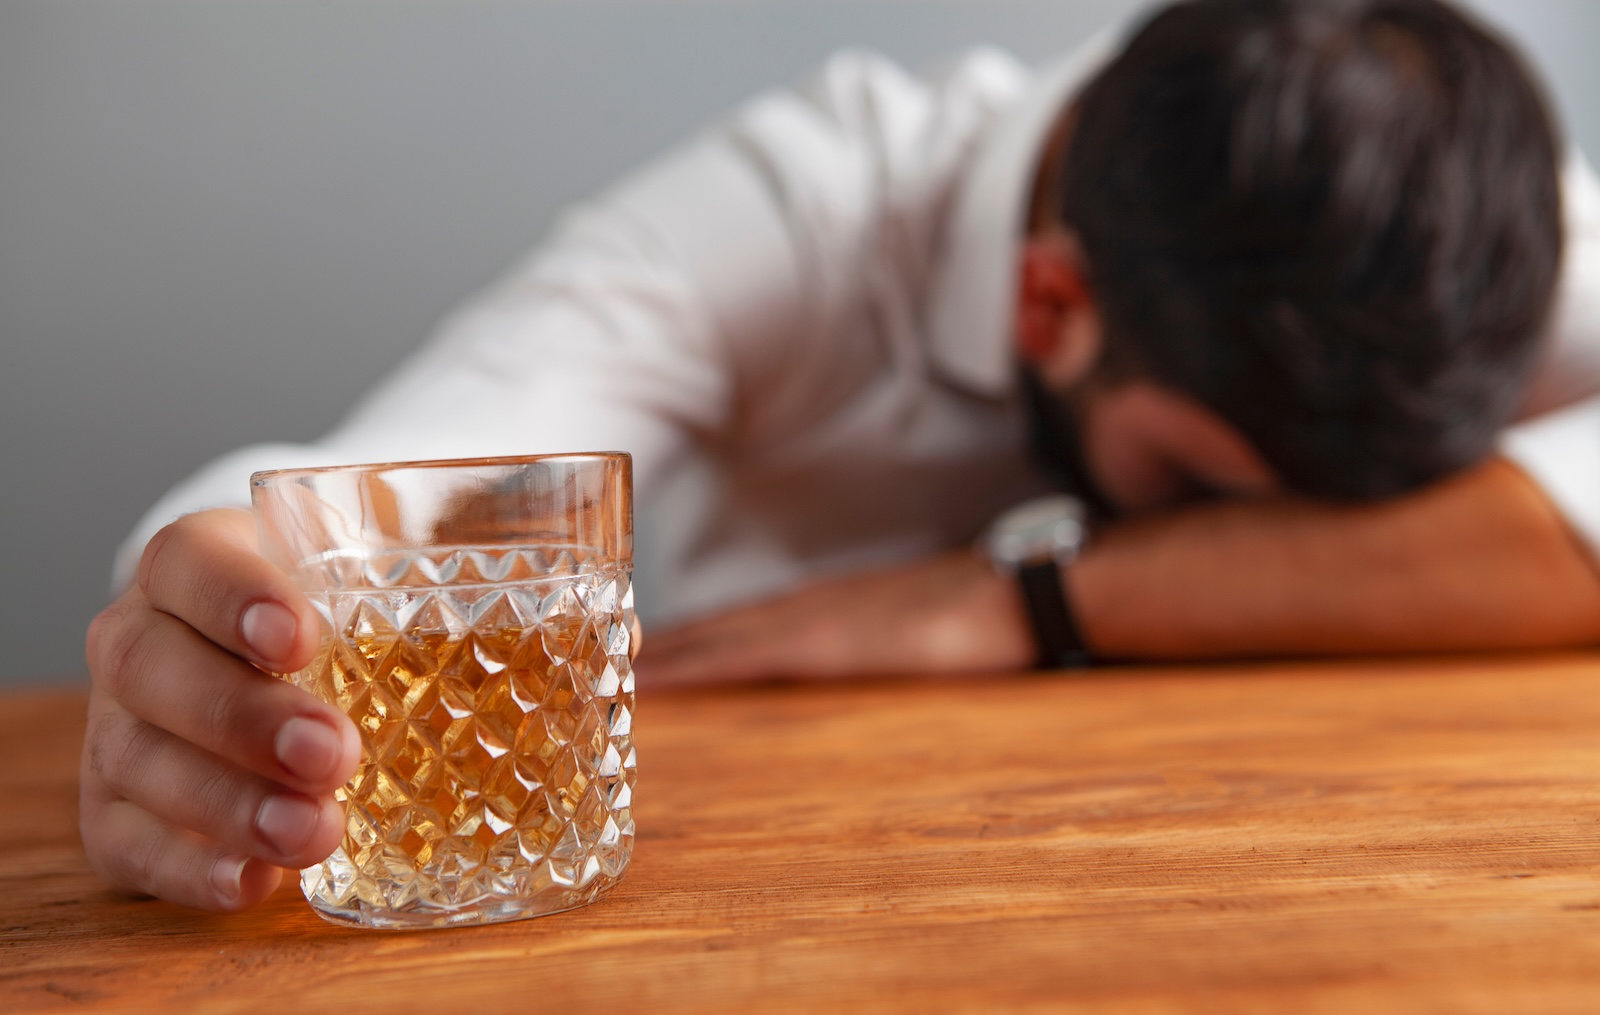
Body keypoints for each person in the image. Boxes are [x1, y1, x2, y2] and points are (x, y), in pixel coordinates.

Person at [82, 0, 1600, 914]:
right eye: (1205, 489)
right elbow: (362, 489)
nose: (1269, 545)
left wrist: (1024, 598)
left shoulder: (1471, 233)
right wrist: (205, 634)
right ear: (1049, 301)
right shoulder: (800, 216)